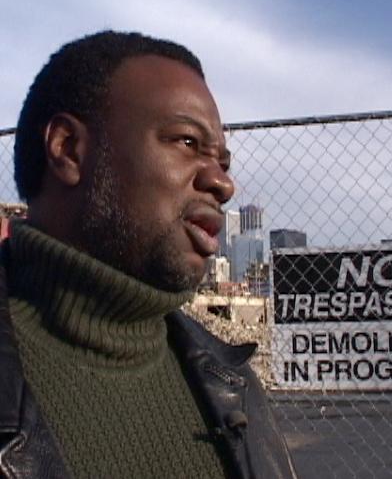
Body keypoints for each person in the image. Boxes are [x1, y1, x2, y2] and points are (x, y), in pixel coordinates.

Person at [0, 31, 297, 479]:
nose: (223, 184)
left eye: (224, 162)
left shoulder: (235, 386)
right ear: (68, 149)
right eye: (187, 142)